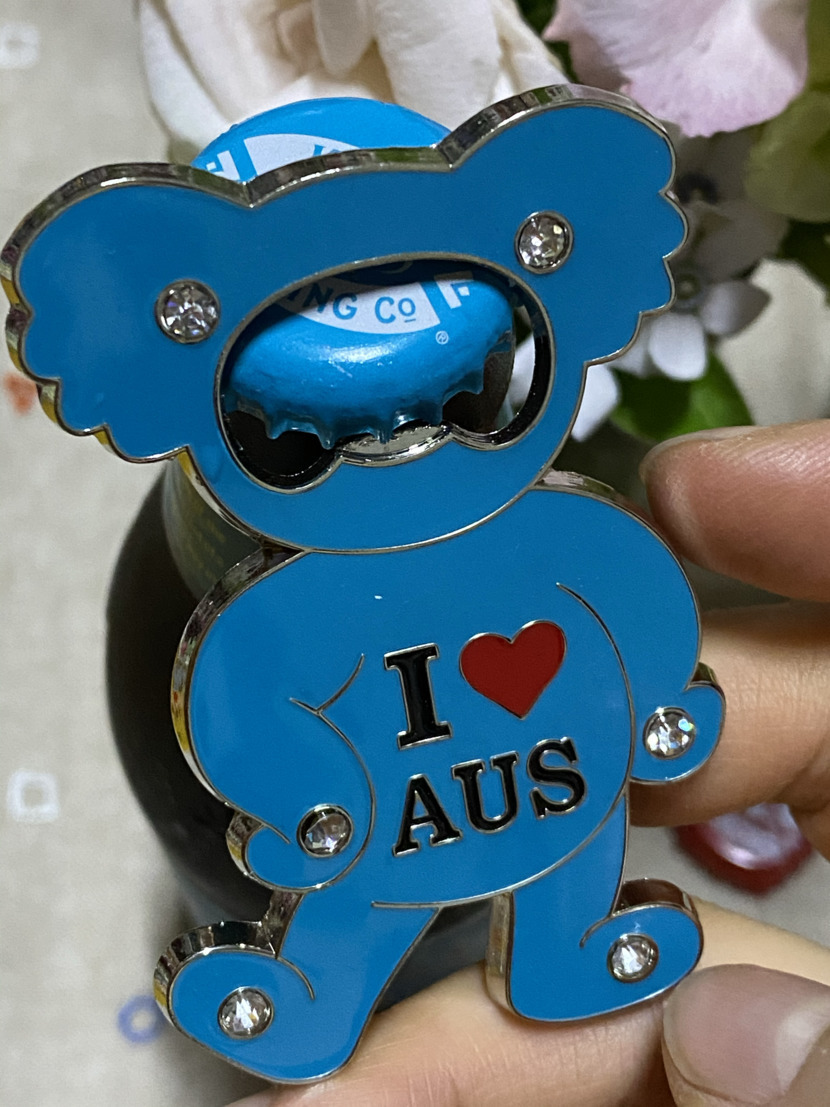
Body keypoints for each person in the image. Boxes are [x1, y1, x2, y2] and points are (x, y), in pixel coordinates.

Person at [225, 419, 830, 1106]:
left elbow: (639, 586)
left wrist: (661, 697)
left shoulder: (565, 531)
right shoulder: (298, 594)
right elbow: (241, 692)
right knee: (386, 883)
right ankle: (313, 1000)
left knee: (563, 816)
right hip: (397, 815)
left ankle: (559, 959)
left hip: (552, 788)